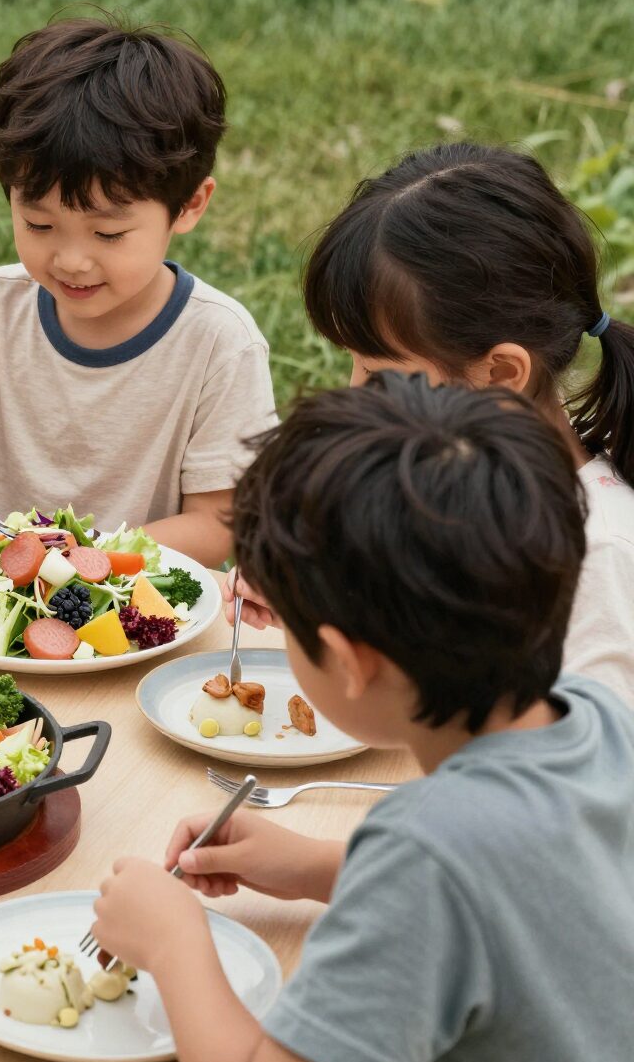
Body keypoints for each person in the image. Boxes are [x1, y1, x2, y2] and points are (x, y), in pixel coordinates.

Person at [92, 371, 634, 1062]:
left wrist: (176, 940)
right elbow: (535, 891)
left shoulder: (425, 849)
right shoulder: (600, 722)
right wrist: (314, 867)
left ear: (347, 662)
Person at [0, 17, 275, 568]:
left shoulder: (220, 342)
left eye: (109, 233)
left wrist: (77, 559)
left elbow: (218, 526)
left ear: (190, 204)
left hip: (141, 621)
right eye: (40, 225)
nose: (71, 260)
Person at [229, 141, 634, 703]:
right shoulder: (455, 482)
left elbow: (594, 773)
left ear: (499, 373)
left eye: (379, 373)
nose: (353, 391)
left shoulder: (600, 559)